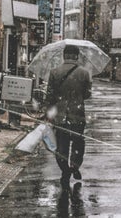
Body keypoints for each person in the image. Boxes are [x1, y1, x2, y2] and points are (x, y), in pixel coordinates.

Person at [45, 44, 92, 188]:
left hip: (60, 116)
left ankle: (65, 170)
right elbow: (87, 95)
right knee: (78, 142)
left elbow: (50, 96)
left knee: (61, 146)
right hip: (77, 115)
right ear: (76, 56)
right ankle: (75, 166)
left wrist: (50, 113)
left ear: (64, 55)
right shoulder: (84, 73)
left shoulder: (54, 72)